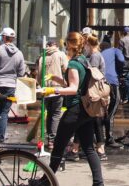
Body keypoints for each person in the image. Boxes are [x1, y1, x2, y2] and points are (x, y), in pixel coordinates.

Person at [42, 31, 104, 186]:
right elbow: (75, 85)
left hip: (75, 110)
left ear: (69, 44)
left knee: (58, 146)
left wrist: (52, 90)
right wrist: (57, 80)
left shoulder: (74, 63)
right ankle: (99, 183)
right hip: (86, 109)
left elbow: (74, 89)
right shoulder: (84, 61)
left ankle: (45, 181)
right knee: (89, 148)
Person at [0, 27, 27, 145]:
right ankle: (0, 137)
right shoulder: (19, 53)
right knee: (4, 113)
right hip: (10, 85)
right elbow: (21, 73)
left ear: (4, 37)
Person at [37, 37, 68, 151]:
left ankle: (48, 137)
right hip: (57, 88)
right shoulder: (60, 55)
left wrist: (40, 86)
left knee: (49, 114)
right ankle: (52, 139)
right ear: (56, 46)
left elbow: (39, 74)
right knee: (55, 114)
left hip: (45, 89)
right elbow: (66, 69)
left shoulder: (42, 56)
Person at [86, 34, 108, 160]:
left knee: (95, 119)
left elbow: (93, 74)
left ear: (89, 44)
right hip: (99, 90)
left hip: (95, 91)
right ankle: (99, 148)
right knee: (95, 120)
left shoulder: (94, 56)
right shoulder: (98, 54)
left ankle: (100, 149)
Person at [101, 35, 125, 148]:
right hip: (112, 81)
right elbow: (121, 60)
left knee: (101, 109)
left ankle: (99, 137)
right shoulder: (115, 50)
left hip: (100, 83)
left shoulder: (99, 54)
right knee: (113, 108)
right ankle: (109, 138)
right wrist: (119, 72)